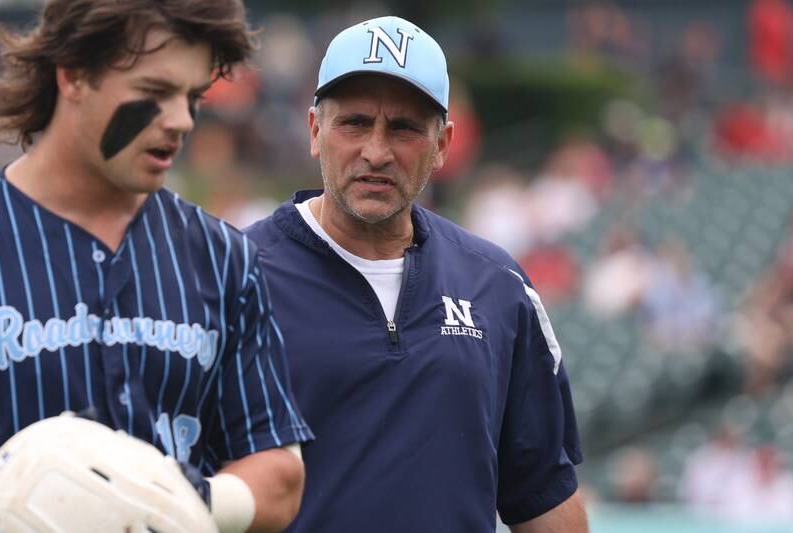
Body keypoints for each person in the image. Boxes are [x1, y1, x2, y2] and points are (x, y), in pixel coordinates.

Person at [244, 15, 588, 532]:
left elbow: (543, 493)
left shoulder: (497, 287)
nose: (376, 151)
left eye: (403, 128)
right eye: (355, 122)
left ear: (444, 143)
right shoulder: (235, 278)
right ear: (315, 131)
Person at [0, 1, 312, 532]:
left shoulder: (222, 255)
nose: (183, 120)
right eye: (154, 93)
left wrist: (174, 501)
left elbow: (279, 472)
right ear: (74, 75)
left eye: (192, 97)